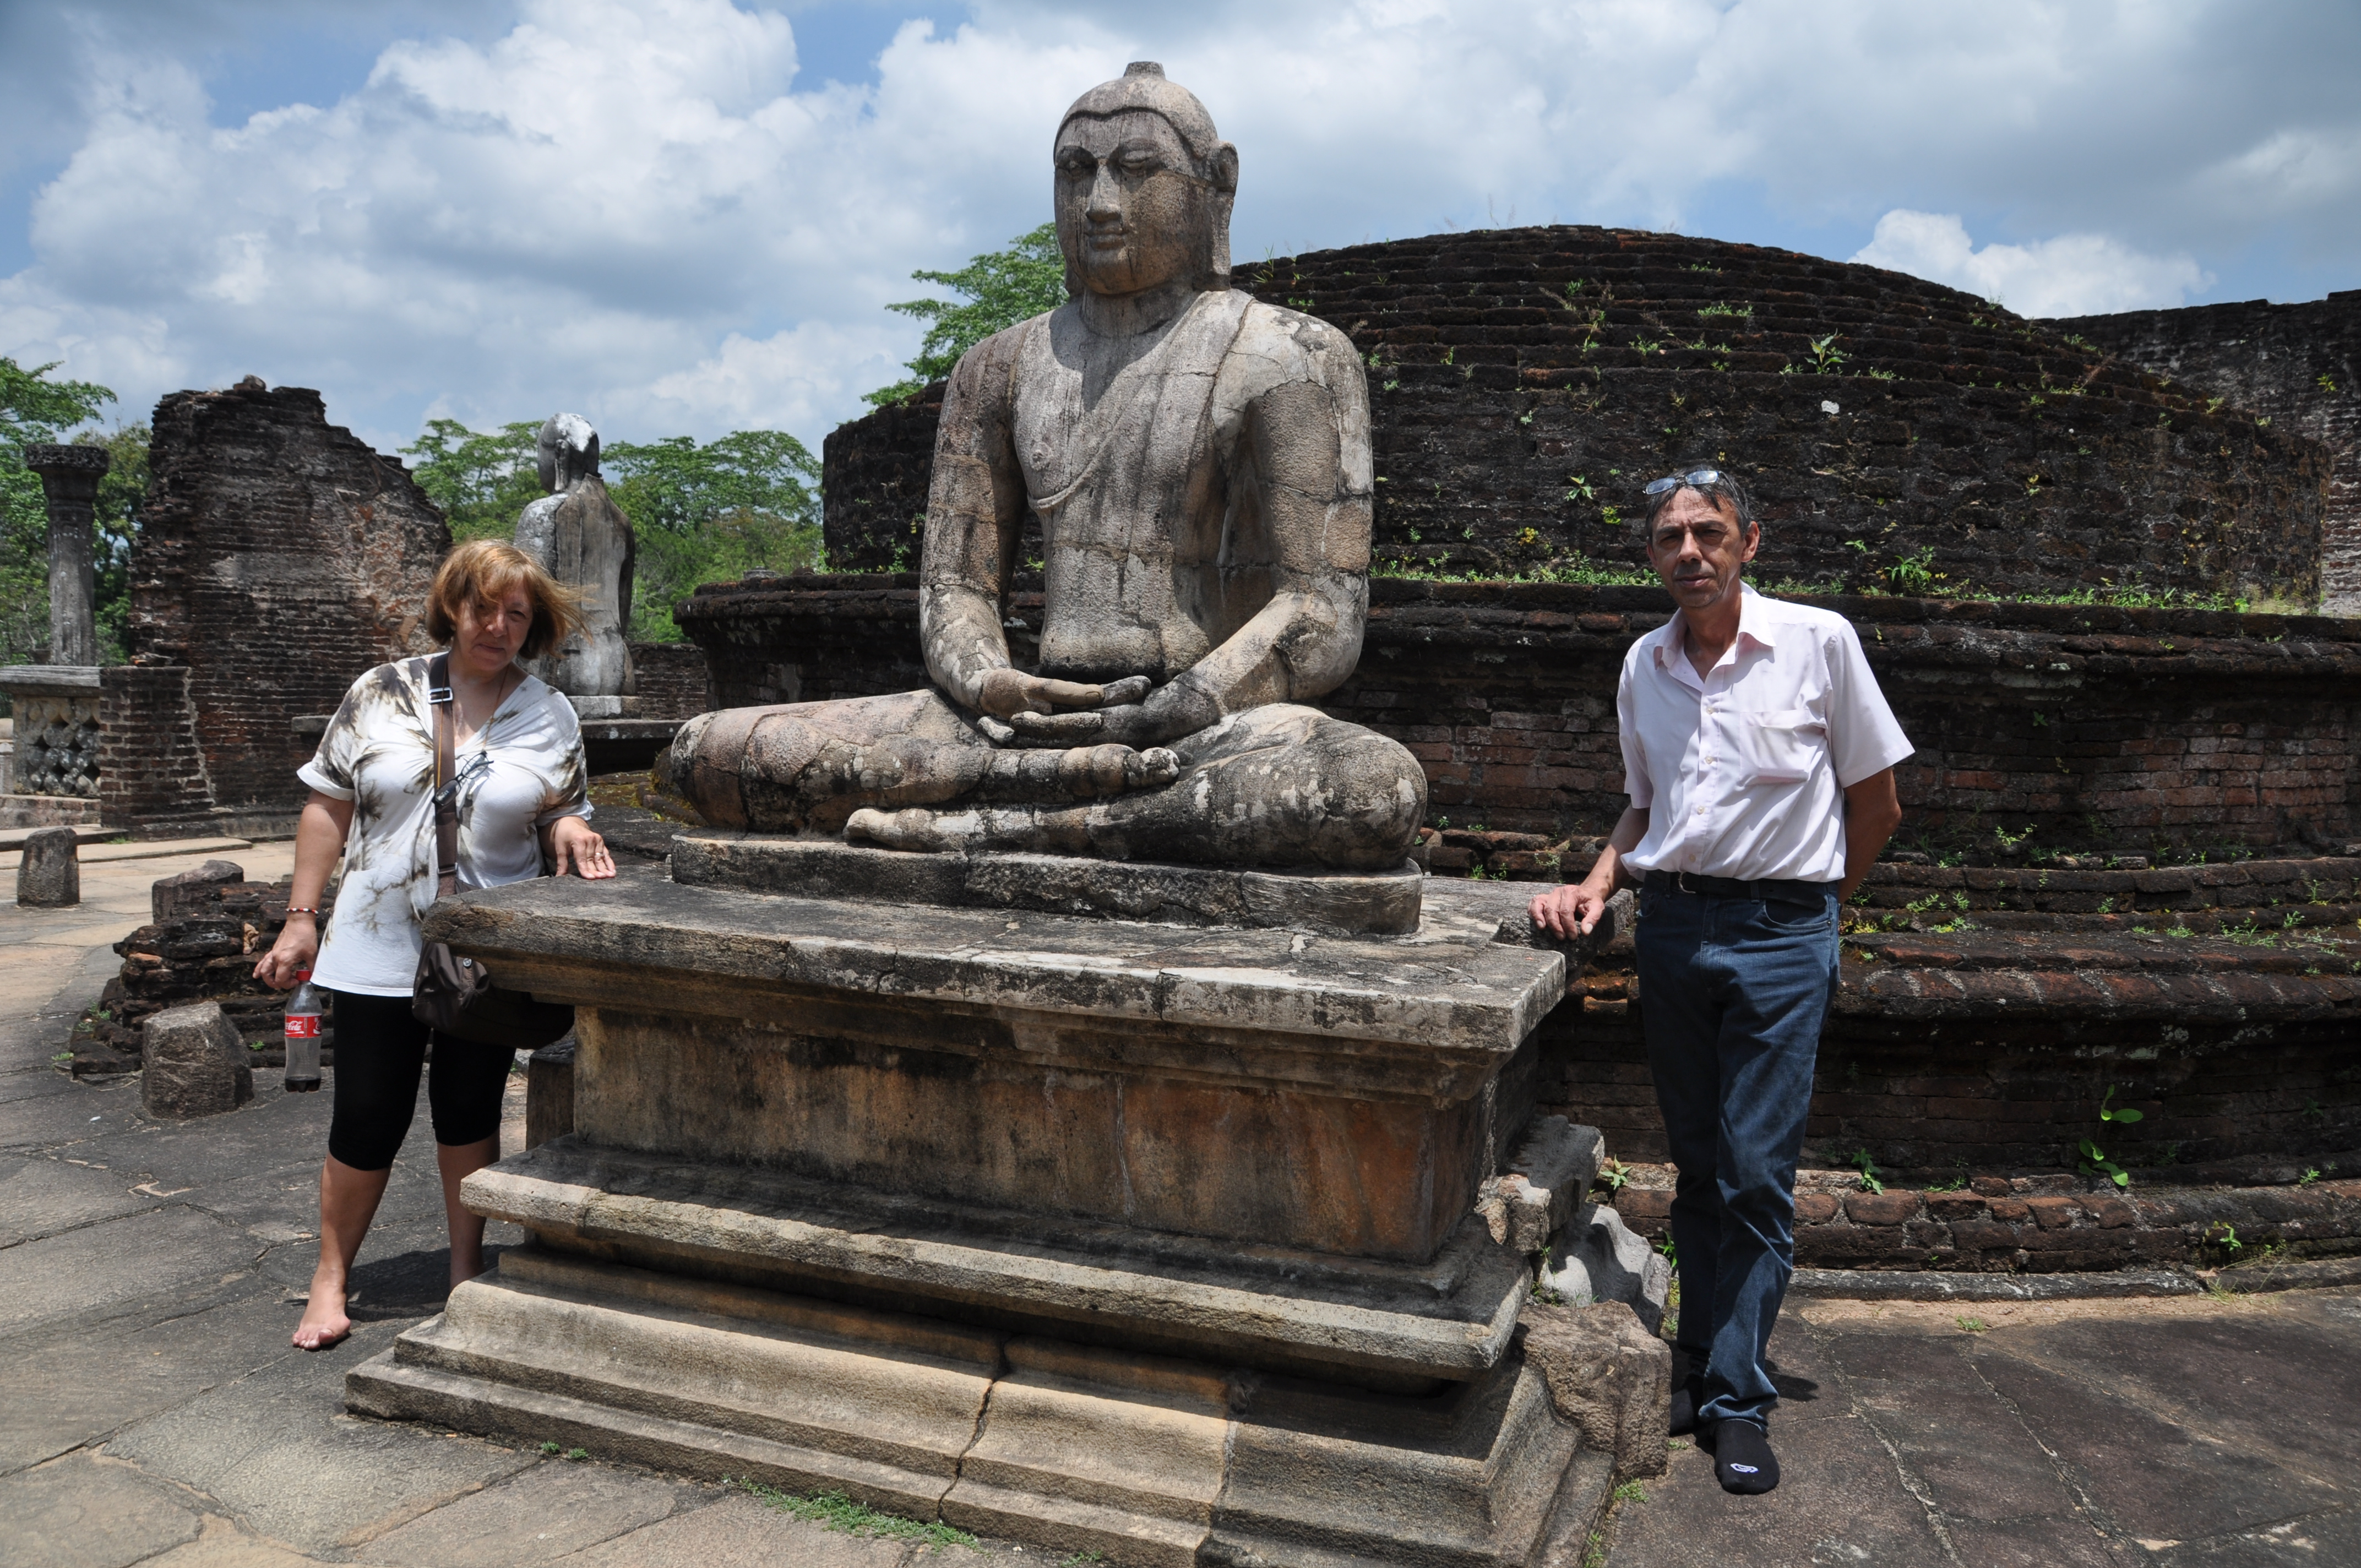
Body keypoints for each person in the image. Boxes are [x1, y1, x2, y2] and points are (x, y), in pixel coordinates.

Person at [1529, 468, 1910, 1496]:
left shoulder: (1818, 643)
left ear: (1750, 540)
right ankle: (1699, 1360)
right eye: (1668, 539)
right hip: (1675, 927)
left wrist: (1815, 913)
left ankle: (1739, 1398)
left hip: (1783, 935)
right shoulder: (1644, 665)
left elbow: (1876, 806)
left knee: (1755, 1171)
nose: (1689, 553)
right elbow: (1642, 809)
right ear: (1652, 556)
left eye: (1708, 533)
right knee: (1697, 1162)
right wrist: (1596, 884)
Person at [255, 540, 618, 1352]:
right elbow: (329, 807)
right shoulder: (381, 692)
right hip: (376, 941)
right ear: (452, 605)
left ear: (535, 625)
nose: (497, 625)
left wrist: (567, 825)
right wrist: (301, 916)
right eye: (482, 607)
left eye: (516, 613)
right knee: (367, 1117)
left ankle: (464, 1266)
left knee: (468, 1111)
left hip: (484, 952)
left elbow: (565, 806)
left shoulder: (548, 712)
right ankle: (330, 1276)